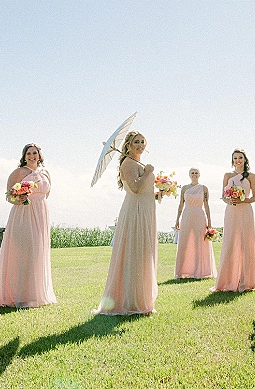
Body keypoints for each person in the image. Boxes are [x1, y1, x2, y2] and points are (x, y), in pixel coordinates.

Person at [93, 131, 158, 315]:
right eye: (136, 142)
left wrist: (158, 191)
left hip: (146, 210)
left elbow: (143, 188)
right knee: (135, 252)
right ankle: (131, 302)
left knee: (144, 253)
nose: (140, 145)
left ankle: (142, 299)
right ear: (128, 145)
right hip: (135, 211)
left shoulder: (138, 163)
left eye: (142, 142)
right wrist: (147, 173)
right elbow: (136, 188)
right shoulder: (128, 163)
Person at [0, 143, 56, 308]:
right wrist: (19, 199)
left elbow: (47, 194)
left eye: (34, 153)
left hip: (41, 214)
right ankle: (21, 295)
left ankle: (37, 295)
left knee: (38, 253)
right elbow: (9, 197)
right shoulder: (18, 173)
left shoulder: (46, 173)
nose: (32, 156)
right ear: (24, 156)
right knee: (25, 253)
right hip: (23, 214)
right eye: (28, 153)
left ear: (39, 155)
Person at [211, 149, 255, 292]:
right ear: (232, 161)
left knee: (246, 244)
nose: (238, 160)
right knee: (230, 243)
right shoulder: (227, 175)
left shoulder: (251, 176)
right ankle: (228, 281)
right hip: (231, 212)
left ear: (245, 159)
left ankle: (246, 282)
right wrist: (229, 200)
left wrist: (243, 199)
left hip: (245, 212)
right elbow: (223, 197)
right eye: (235, 158)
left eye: (240, 157)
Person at [174, 168, 216, 279]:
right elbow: (180, 205)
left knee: (199, 242)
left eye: (196, 173)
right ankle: (181, 272)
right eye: (192, 173)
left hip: (199, 215)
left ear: (199, 175)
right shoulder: (184, 188)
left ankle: (200, 271)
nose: (194, 175)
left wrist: (209, 221)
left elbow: (206, 205)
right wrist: (177, 220)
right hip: (186, 215)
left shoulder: (204, 188)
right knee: (184, 242)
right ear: (189, 175)